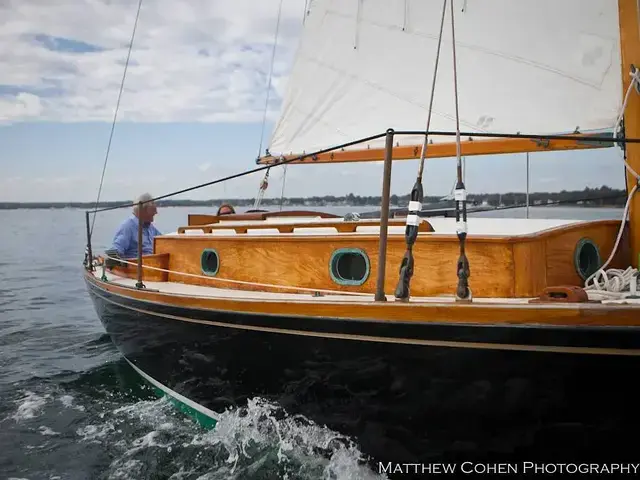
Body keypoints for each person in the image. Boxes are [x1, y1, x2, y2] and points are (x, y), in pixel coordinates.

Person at [111, 193, 162, 258]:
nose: (156, 213)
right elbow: (115, 252)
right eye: (152, 210)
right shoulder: (128, 227)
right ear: (142, 210)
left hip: (153, 265)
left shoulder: (151, 228)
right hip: (138, 266)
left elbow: (164, 241)